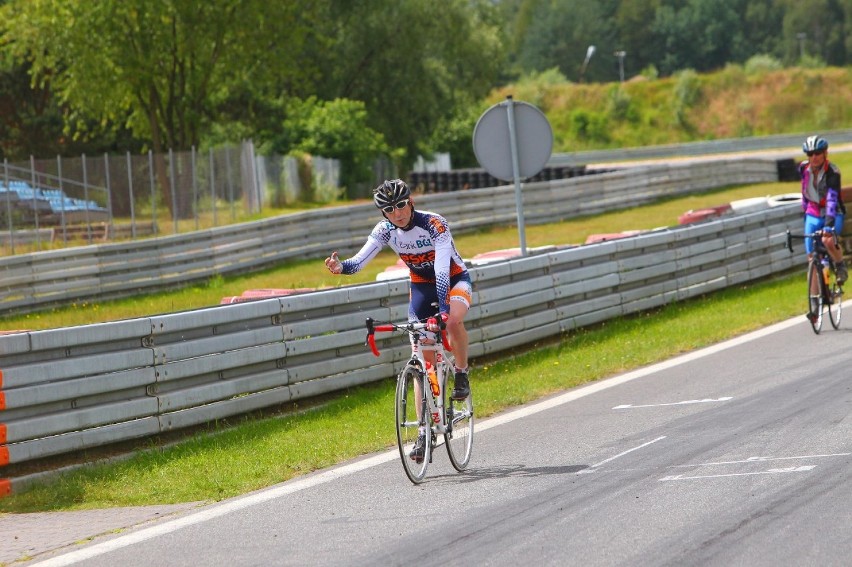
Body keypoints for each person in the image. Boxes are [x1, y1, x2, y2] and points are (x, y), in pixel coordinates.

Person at [325, 179, 473, 462]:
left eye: (401, 205)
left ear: (411, 202)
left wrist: (442, 310)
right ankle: (422, 432)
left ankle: (462, 372)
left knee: (453, 321)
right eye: (390, 210)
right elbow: (358, 262)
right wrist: (340, 267)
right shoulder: (385, 230)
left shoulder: (434, 224)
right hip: (420, 285)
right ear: (384, 214)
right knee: (421, 359)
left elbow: (442, 269)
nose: (398, 213)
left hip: (453, 280)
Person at [799, 135, 847, 285]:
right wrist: (805, 211)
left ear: (825, 153)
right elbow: (804, 190)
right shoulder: (803, 168)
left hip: (832, 212)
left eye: (818, 153)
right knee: (812, 257)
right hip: (813, 212)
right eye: (810, 154)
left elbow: (832, 200)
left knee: (827, 240)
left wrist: (828, 224)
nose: (814, 157)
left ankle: (840, 265)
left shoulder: (833, 172)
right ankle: (814, 302)